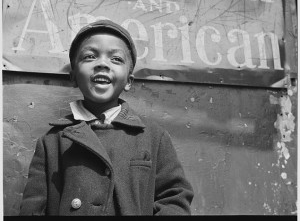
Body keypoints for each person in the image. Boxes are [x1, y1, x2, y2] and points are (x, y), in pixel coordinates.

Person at [20, 19, 194, 215]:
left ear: (128, 81)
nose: (102, 63)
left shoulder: (154, 137)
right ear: (74, 76)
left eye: (116, 59)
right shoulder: (51, 141)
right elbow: (33, 208)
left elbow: (175, 198)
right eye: (90, 56)